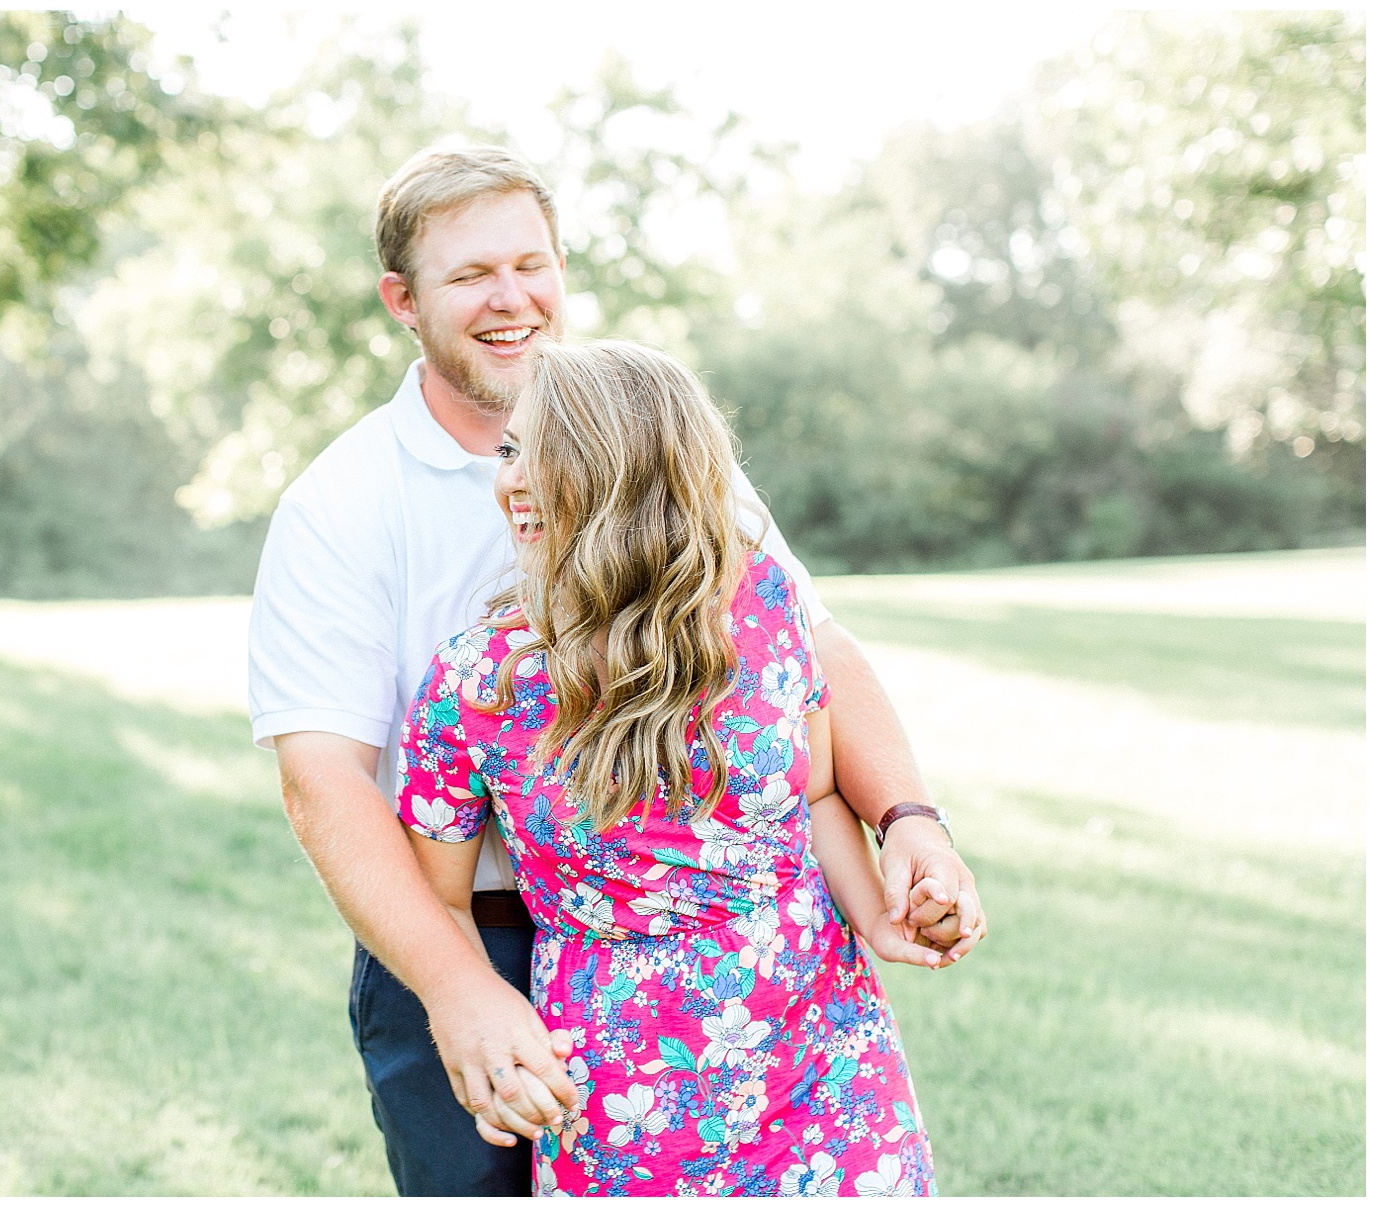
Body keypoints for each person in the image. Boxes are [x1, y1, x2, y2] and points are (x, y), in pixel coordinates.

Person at [246, 145, 983, 1197]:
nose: (512, 298)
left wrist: (908, 821)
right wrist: (459, 990)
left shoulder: (665, 459)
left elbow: (812, 670)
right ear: (402, 300)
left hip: (773, 973)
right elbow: (321, 779)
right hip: (480, 941)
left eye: (530, 264)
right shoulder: (343, 506)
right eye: (470, 275)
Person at [397, 339, 938, 1195]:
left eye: (547, 454)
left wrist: (877, 915)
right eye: (509, 450)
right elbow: (440, 898)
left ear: (632, 475)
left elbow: (817, 793)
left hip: (826, 1057)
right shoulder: (477, 682)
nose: (512, 481)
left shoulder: (763, 601)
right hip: (626, 1092)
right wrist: (489, 1029)